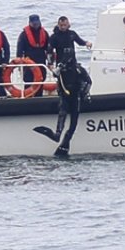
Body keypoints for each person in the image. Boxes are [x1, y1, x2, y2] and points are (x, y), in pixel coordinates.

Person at [34, 18, 93, 157]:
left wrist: (87, 43)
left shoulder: (72, 34)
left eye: (65, 25)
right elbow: (49, 51)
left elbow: (80, 41)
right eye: (61, 25)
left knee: (76, 111)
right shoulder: (54, 37)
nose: (63, 27)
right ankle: (57, 134)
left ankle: (66, 140)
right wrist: (50, 65)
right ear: (58, 25)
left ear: (68, 25)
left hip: (74, 72)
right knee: (64, 107)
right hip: (63, 73)